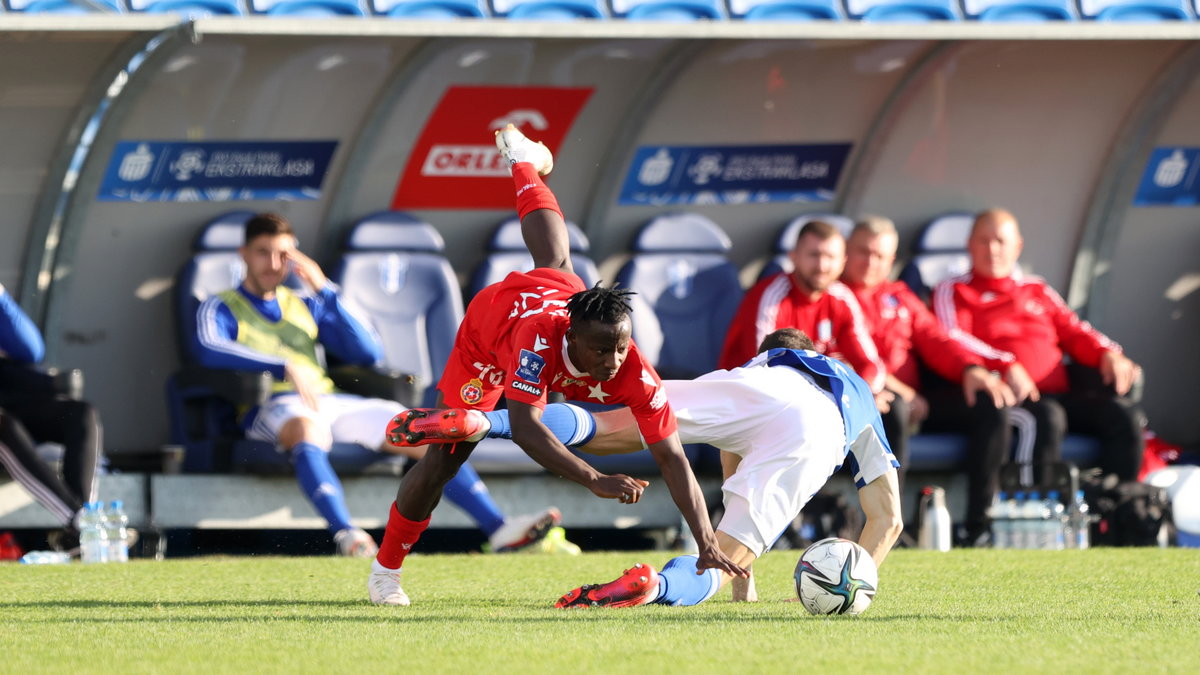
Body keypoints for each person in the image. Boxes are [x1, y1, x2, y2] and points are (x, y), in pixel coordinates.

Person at [368, 124, 746, 606]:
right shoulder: (537, 342)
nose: (612, 363)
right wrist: (593, 479)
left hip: (554, 290)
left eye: (622, 348)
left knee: (559, 260)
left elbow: (671, 457)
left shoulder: (633, 369)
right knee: (447, 456)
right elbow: (528, 429)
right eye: (601, 351)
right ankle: (385, 572)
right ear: (571, 337)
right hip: (487, 337)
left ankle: (523, 163)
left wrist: (706, 542)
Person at [393, 328, 903, 608]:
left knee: (612, 424)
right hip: (818, 430)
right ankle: (654, 587)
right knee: (715, 568)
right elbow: (888, 519)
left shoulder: (766, 366)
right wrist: (857, 582)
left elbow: (733, 445)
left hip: (752, 394)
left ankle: (484, 419)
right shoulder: (855, 390)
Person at [194, 212, 562, 558]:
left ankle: (498, 528)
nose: (273, 264)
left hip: (329, 400)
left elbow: (369, 350)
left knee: (423, 428)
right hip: (274, 407)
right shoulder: (220, 305)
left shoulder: (305, 302)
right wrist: (281, 365)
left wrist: (326, 290)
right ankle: (346, 534)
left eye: (283, 255)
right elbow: (208, 348)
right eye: (263, 253)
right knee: (306, 428)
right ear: (243, 254)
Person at [933, 208, 1145, 496]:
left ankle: (1116, 510)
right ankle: (1031, 509)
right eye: (984, 241)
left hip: (1061, 391)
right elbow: (951, 338)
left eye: (1000, 241)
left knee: (1125, 416)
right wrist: (1006, 365)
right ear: (970, 245)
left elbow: (1073, 329)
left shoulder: (1036, 289)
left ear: (1017, 247)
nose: (992, 249)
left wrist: (1107, 353)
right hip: (1008, 396)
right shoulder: (953, 290)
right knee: (1048, 415)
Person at [840, 217, 1015, 539]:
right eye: (863, 252)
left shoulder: (899, 295)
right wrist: (899, 389)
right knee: (895, 408)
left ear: (891, 261)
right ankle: (890, 526)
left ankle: (980, 526)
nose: (870, 262)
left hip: (918, 400)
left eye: (880, 256)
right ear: (847, 252)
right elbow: (837, 358)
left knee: (989, 404)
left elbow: (936, 339)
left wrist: (970, 369)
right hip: (871, 401)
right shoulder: (835, 296)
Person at [718, 220, 888, 405]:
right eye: (814, 255)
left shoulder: (842, 298)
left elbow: (871, 365)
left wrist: (861, 393)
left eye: (830, 257)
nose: (822, 265)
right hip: (753, 400)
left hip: (817, 396)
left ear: (843, 262)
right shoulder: (771, 297)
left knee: (891, 411)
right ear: (794, 257)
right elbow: (764, 366)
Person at [0, 281, 102, 552]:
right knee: (3, 423)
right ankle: (79, 521)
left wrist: (2, 300)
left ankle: (82, 519)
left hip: (14, 406)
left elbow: (32, 350)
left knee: (81, 414)